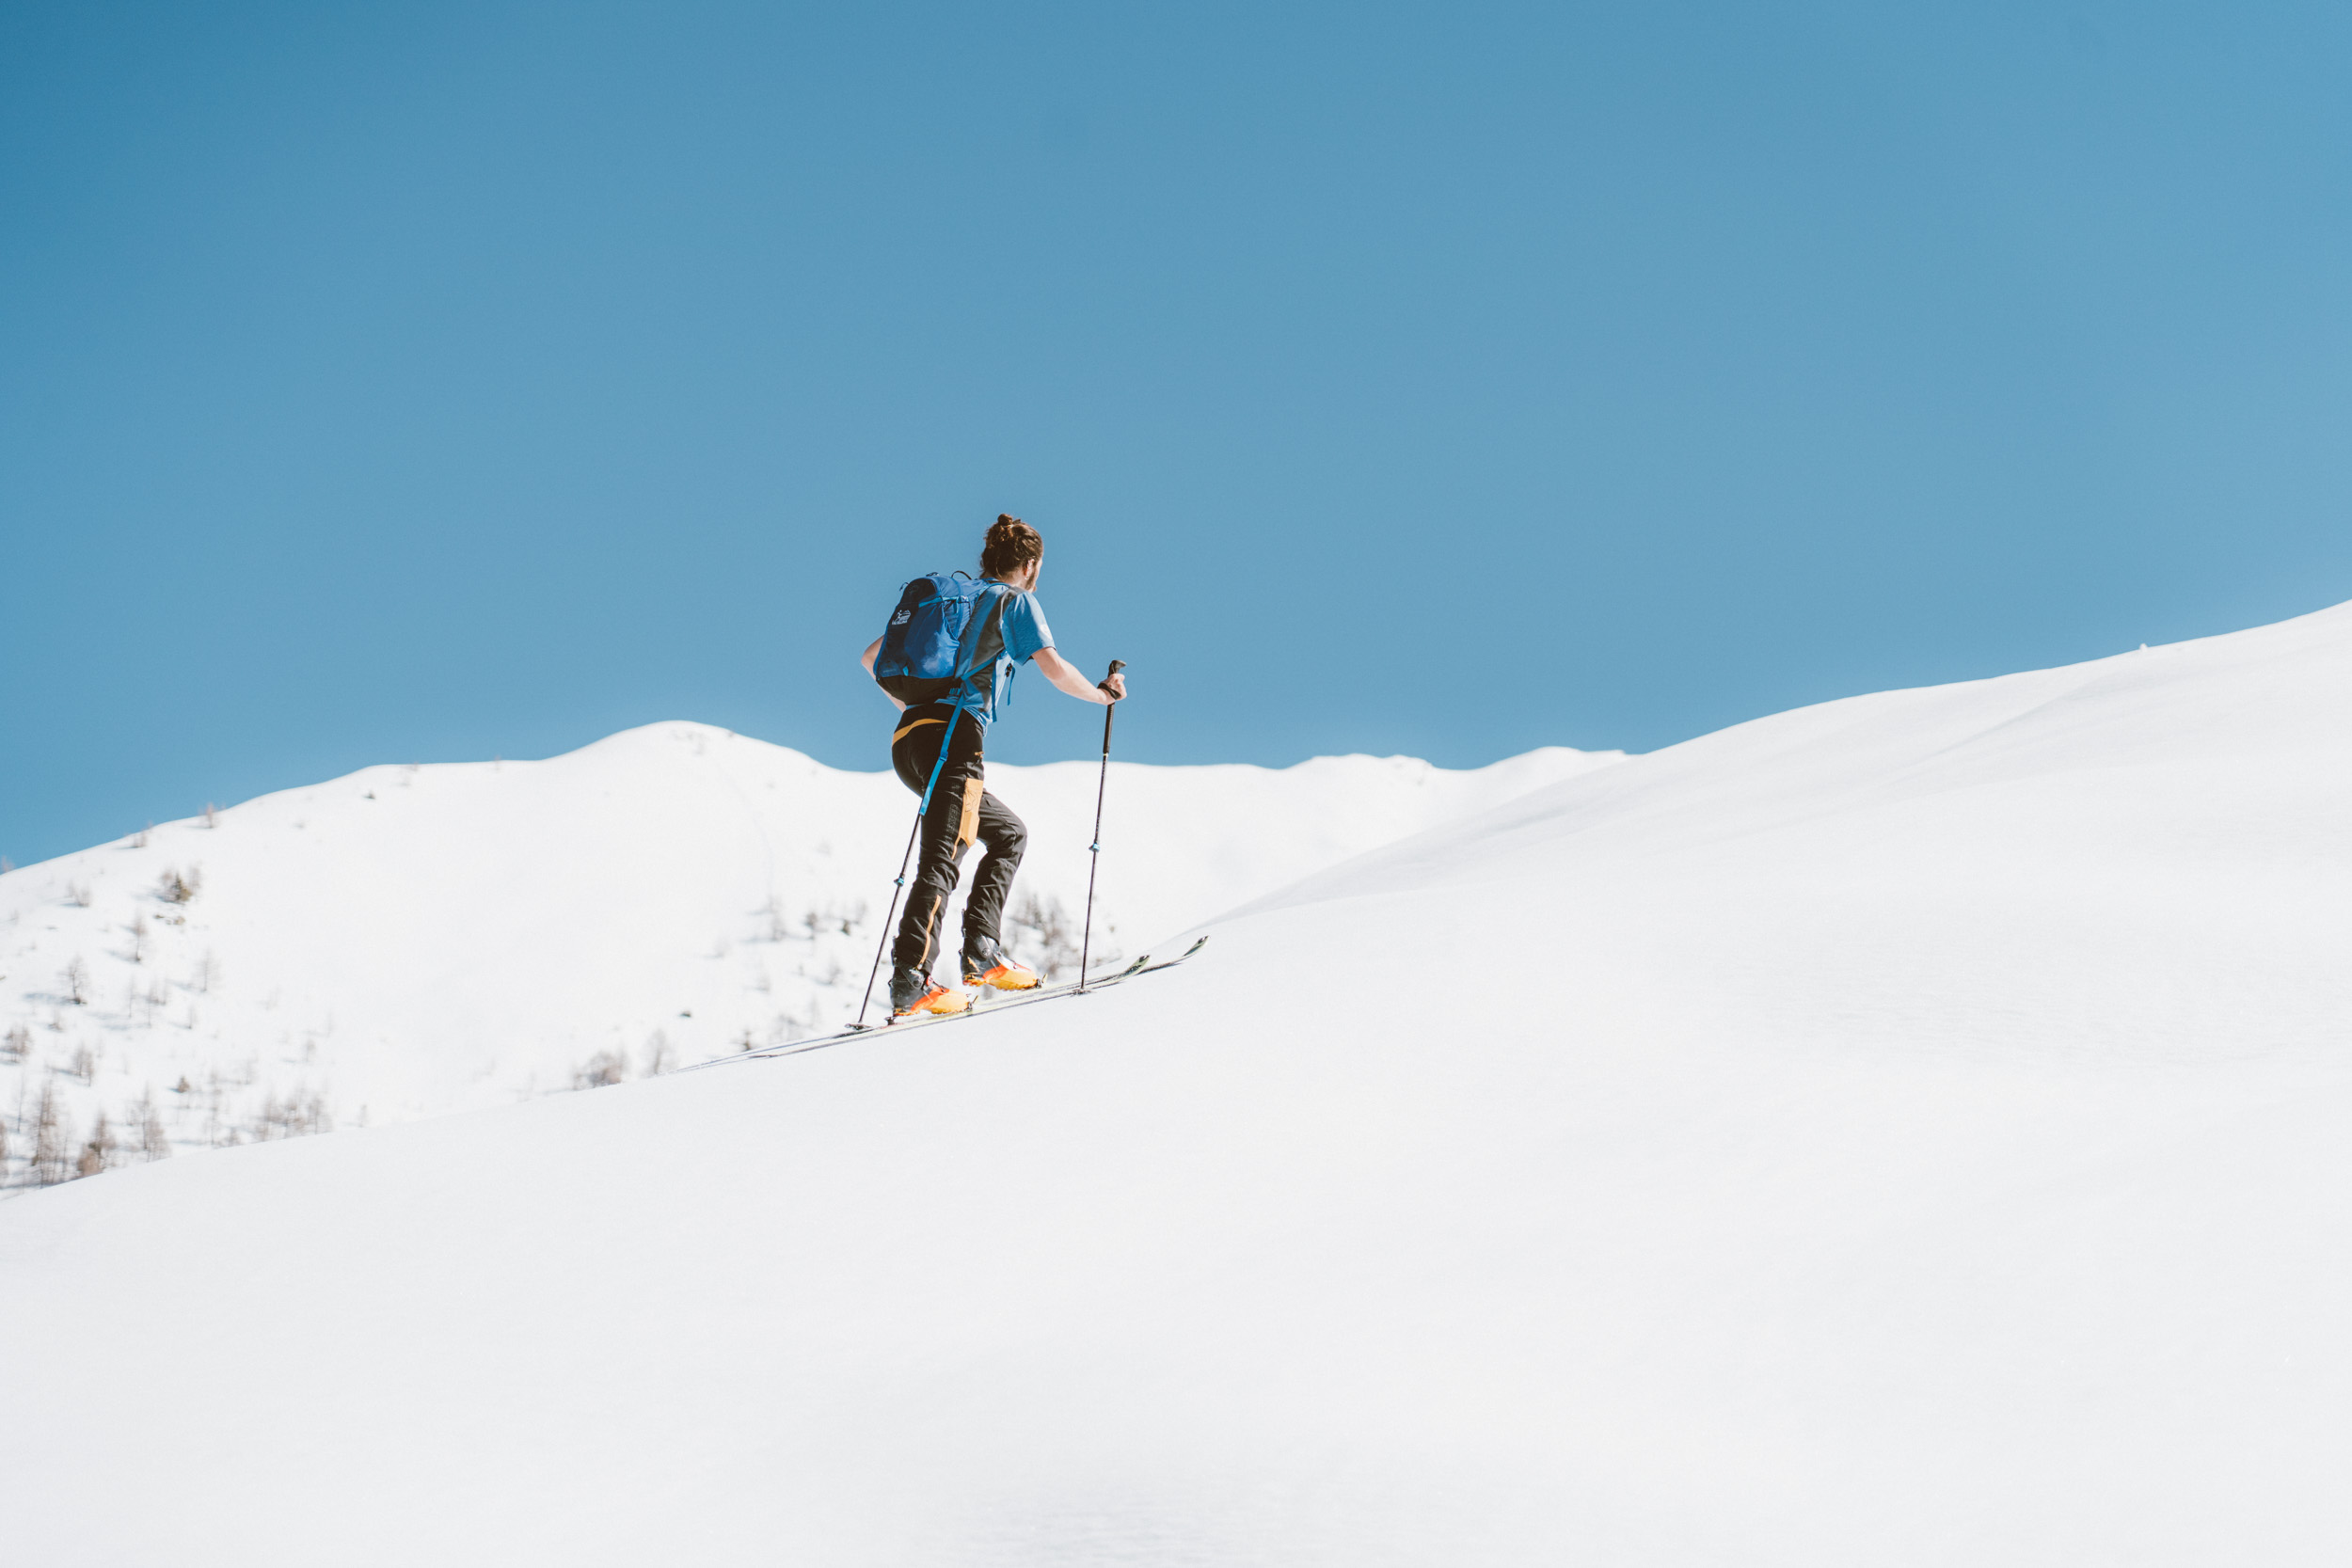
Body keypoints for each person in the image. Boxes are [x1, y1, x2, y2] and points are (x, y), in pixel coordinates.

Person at [860, 515, 1128, 1019]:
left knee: (1007, 834)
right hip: (954, 738)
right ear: (1030, 565)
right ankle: (910, 979)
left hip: (910, 738)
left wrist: (922, 712)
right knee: (943, 855)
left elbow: (872, 659)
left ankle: (981, 952)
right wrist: (1101, 696)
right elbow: (1052, 666)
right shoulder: (1014, 601)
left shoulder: (950, 602)